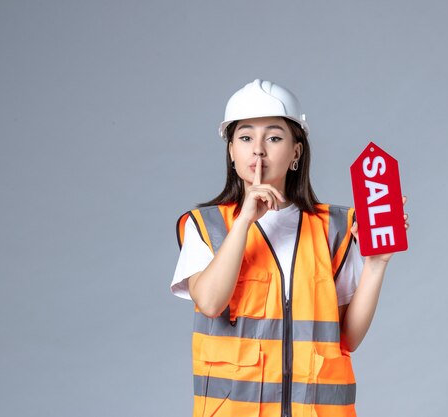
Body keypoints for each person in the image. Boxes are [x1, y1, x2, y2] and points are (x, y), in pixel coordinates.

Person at [171, 79, 409, 417]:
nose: (258, 149)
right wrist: (244, 221)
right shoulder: (206, 226)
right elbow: (210, 301)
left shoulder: (335, 229)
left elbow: (347, 338)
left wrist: (376, 265)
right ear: (231, 151)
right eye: (245, 137)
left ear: (296, 151)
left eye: (274, 137)